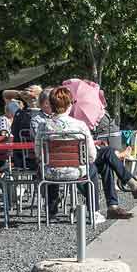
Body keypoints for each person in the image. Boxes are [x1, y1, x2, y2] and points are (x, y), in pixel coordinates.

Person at [31, 85, 95, 222]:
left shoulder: (43, 126)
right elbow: (91, 155)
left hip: (51, 172)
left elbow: (38, 153)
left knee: (45, 164)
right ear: (69, 105)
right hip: (75, 172)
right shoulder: (80, 126)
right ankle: (93, 211)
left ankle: (51, 211)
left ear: (51, 105)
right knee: (92, 169)